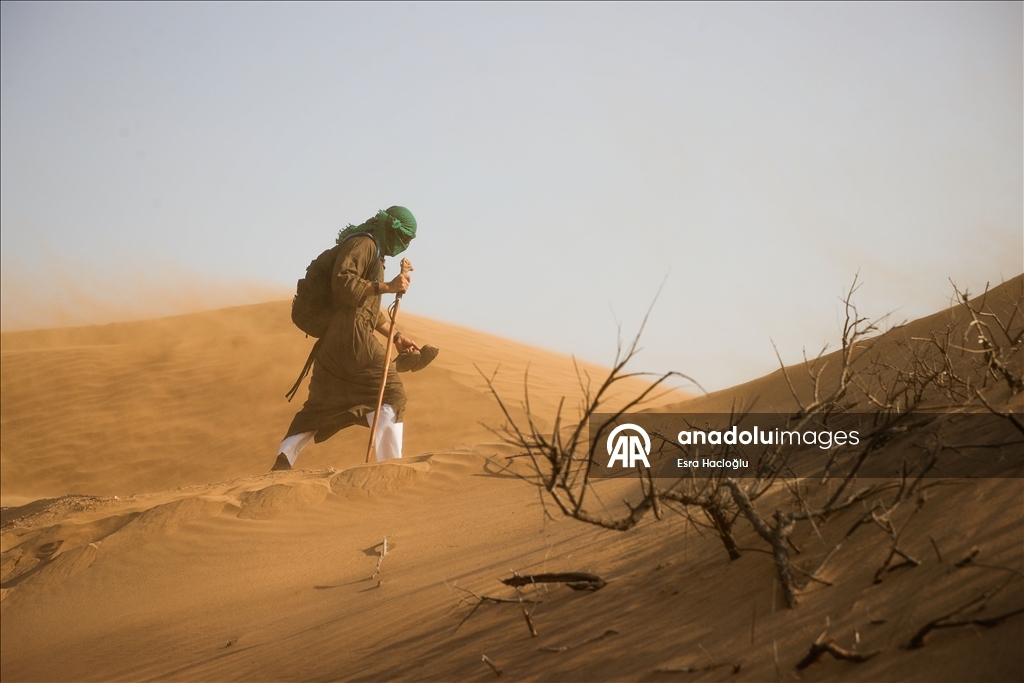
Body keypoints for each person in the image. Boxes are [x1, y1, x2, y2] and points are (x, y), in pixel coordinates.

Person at [271, 206, 432, 471]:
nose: (405, 245)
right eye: (404, 238)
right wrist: (389, 287)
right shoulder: (364, 243)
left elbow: (364, 308)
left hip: (335, 340)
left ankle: (284, 459)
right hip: (352, 337)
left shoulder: (374, 251)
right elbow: (343, 284)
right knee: (391, 394)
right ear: (392, 229)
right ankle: (391, 468)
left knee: (320, 403)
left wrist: (396, 337)